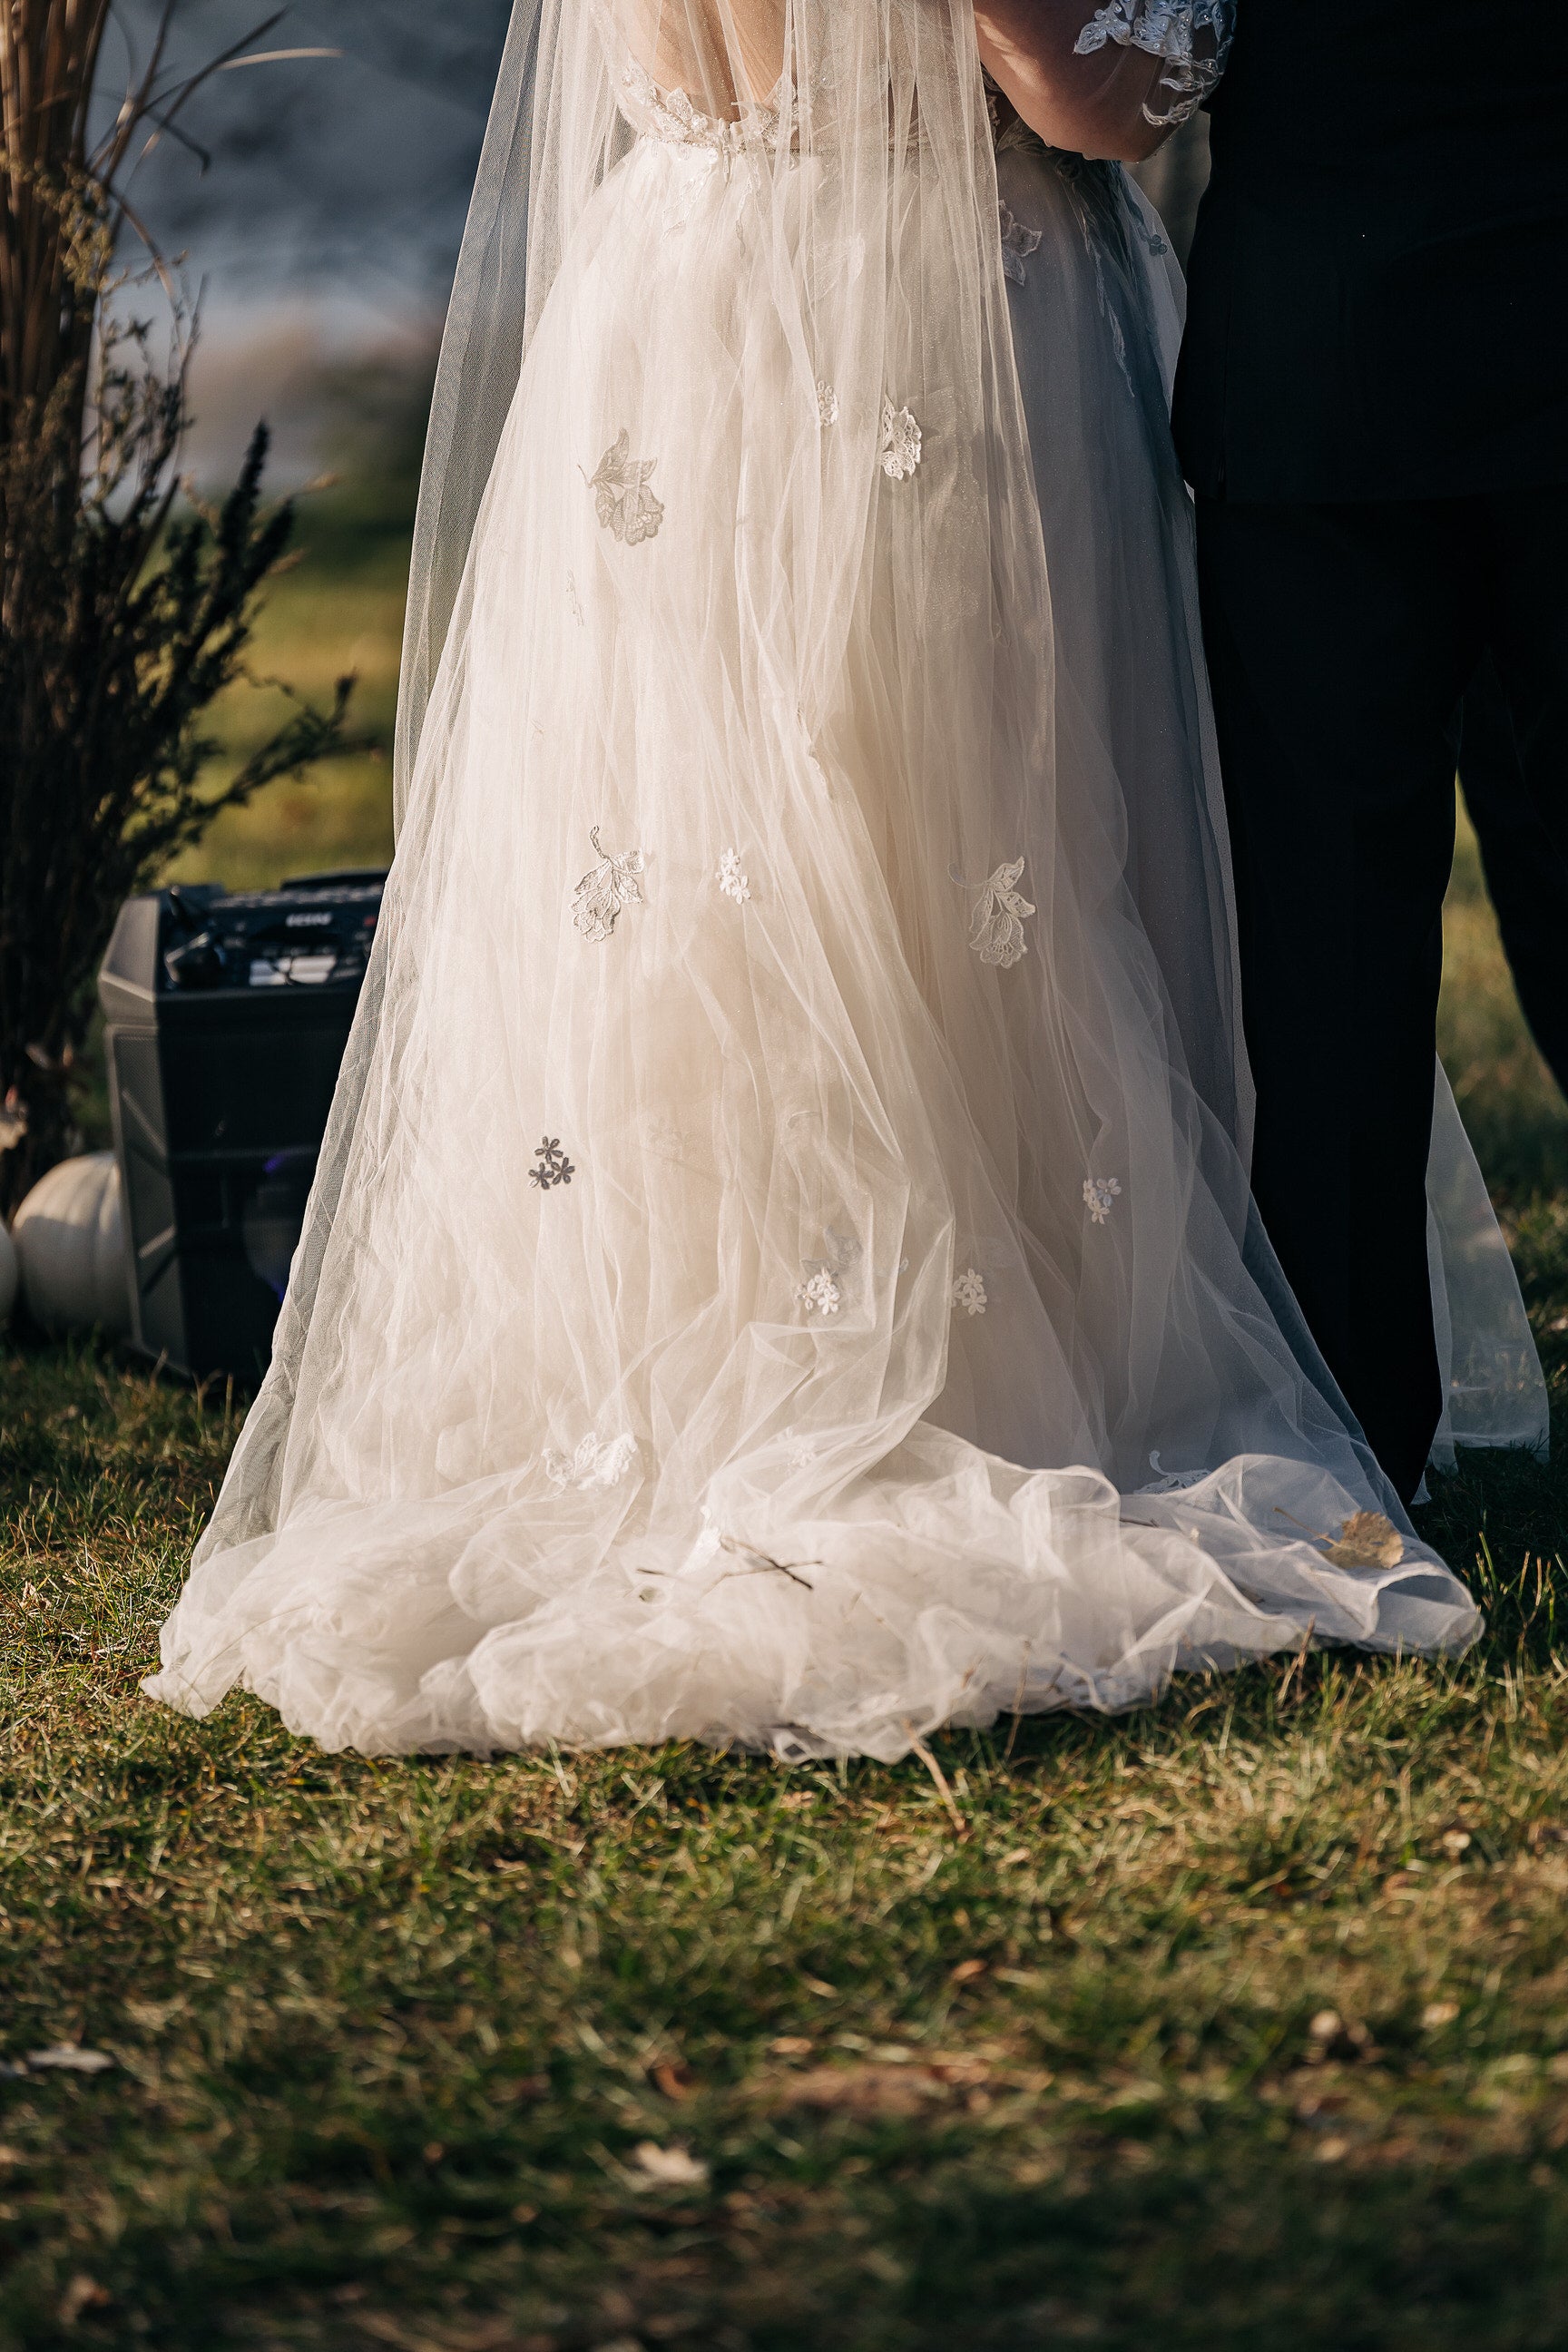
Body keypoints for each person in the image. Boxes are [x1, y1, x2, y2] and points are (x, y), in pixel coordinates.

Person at [146, 0, 1504, 1763]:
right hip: (917, 332)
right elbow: (1076, 87)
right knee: (928, 883)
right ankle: (951, 1379)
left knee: (727, 892)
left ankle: (678, 1367)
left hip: (680, 300)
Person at [1178, 2, 1568, 1501]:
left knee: (1326, 936)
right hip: (1410, 328)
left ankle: (1352, 1445)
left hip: (1323, 341)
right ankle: (1350, 1426)